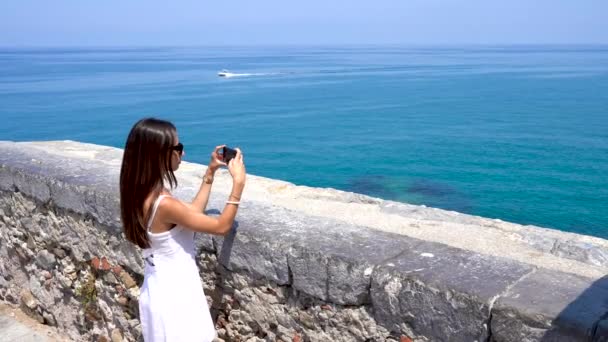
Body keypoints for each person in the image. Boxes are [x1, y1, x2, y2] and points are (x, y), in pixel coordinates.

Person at [119, 117, 246, 341]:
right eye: (178, 147)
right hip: (175, 297)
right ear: (159, 153)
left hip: (160, 289)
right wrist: (238, 184)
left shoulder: (140, 193)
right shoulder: (163, 203)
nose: (183, 153)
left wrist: (210, 172)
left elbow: (192, 215)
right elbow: (221, 226)